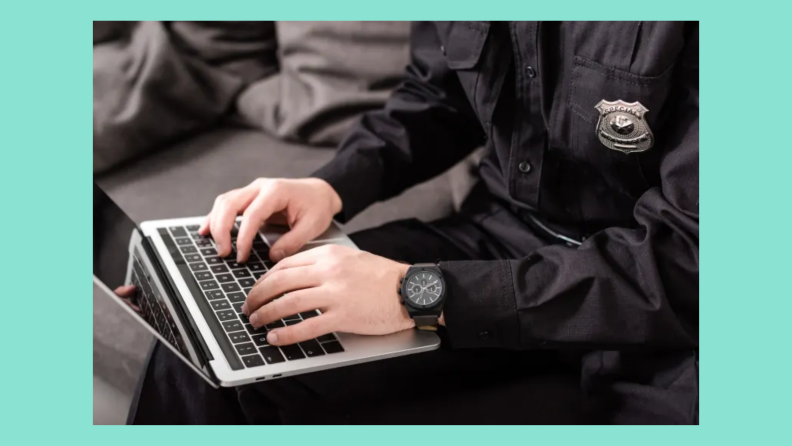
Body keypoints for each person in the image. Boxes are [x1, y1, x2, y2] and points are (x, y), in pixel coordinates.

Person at [129, 21, 699, 424]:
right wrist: (329, 186)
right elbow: (439, 94)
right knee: (208, 350)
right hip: (497, 241)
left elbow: (688, 260)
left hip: (670, 323)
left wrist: (417, 294)